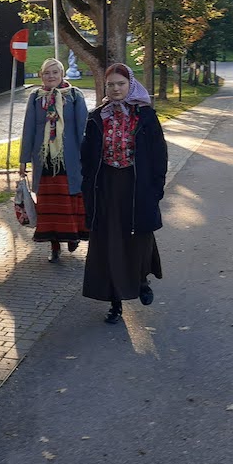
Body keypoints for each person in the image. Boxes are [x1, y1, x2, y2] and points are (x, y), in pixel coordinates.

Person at [80, 62, 168, 324]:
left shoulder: (145, 116)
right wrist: (87, 187)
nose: (116, 88)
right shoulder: (97, 116)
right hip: (106, 187)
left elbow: (159, 155)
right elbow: (87, 157)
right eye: (111, 84)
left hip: (137, 186)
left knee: (139, 237)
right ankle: (115, 302)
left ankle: (141, 279)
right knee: (109, 245)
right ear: (105, 87)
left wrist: (156, 189)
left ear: (130, 85)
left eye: (121, 83)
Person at [18, 58, 90, 262]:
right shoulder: (35, 98)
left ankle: (72, 235)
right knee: (49, 206)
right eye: (47, 73)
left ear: (62, 75)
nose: (51, 76)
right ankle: (54, 245)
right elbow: (29, 129)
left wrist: (87, 156)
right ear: (41, 76)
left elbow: (83, 128)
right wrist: (23, 160)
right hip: (44, 160)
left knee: (71, 200)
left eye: (55, 72)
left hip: (69, 159)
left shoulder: (74, 96)